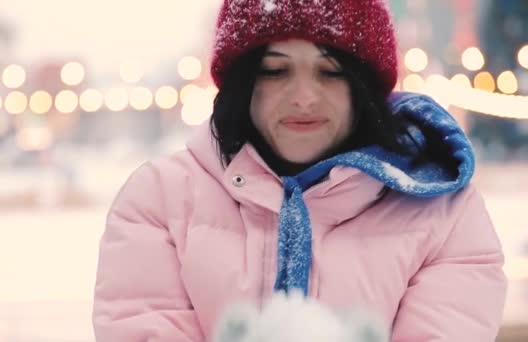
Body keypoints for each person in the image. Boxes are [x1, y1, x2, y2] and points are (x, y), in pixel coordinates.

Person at [93, 0, 508, 341]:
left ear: (362, 86)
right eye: (276, 71)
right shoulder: (159, 200)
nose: (304, 97)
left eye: (330, 73)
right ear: (243, 82)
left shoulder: (444, 210)